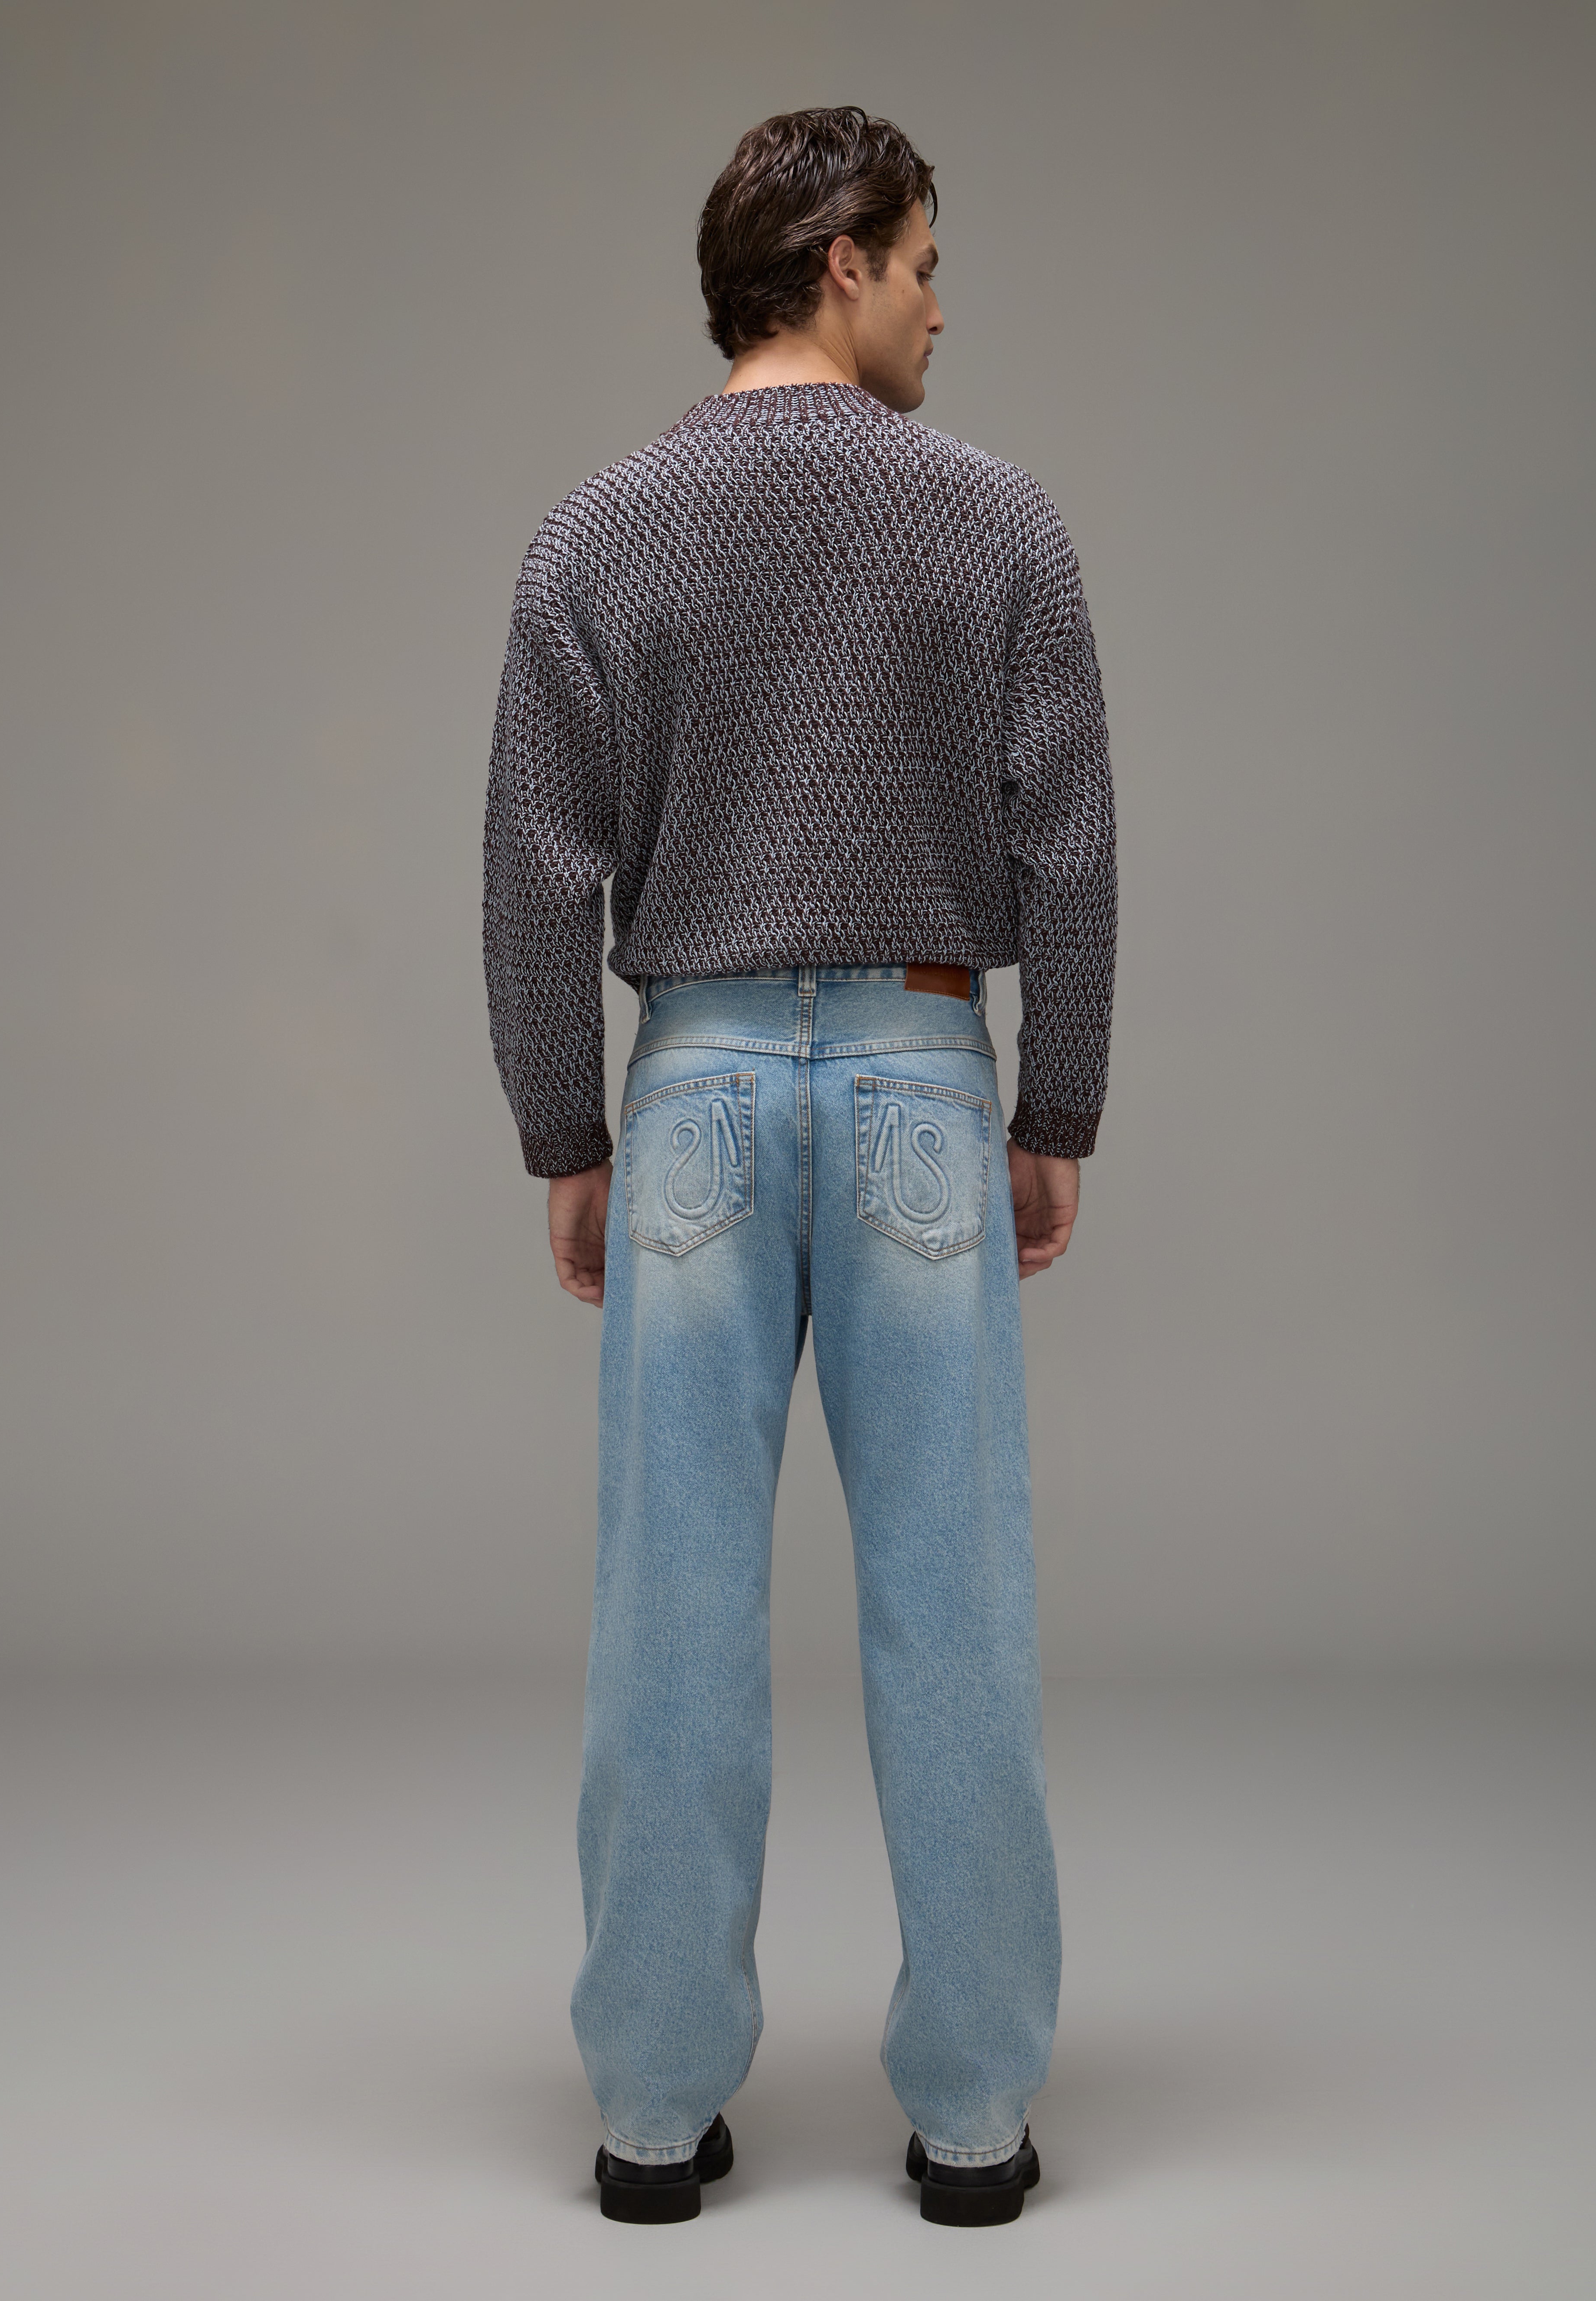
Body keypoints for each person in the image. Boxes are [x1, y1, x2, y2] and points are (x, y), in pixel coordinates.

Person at [483, 104, 1115, 2227]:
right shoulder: (999, 521)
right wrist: (1058, 1109)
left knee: (672, 1612)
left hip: (699, 1092)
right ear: (838, 260)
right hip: (929, 1078)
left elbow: (533, 869)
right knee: (957, 1613)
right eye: (924, 263)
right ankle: (975, 2121)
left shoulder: (597, 535)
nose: (942, 305)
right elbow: (1071, 841)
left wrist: (568, 1133)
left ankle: (652, 2117)